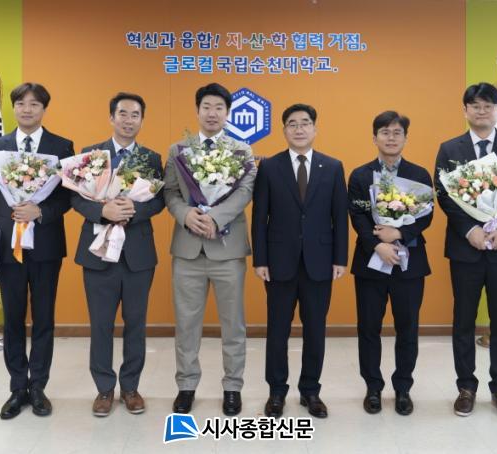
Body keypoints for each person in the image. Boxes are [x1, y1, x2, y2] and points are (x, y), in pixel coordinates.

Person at [435, 82, 497, 420]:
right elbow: (444, 194)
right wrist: (470, 230)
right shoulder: (450, 148)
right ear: (465, 110)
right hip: (466, 249)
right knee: (463, 320)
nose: (481, 111)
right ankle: (466, 388)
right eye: (475, 105)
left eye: (488, 106)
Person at [0, 82, 74, 419]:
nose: (27, 109)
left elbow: (68, 197)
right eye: (21, 103)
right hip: (8, 248)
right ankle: (18, 387)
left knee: (44, 318)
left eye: (34, 104)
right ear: (14, 107)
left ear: (44, 109)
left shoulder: (61, 146)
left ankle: (38, 387)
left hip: (46, 245)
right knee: (14, 319)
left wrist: (40, 211)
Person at [163, 82, 256, 416]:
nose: (212, 113)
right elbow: (169, 192)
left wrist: (215, 218)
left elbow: (245, 192)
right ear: (197, 110)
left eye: (219, 107)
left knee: (233, 324)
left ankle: (233, 387)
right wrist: (186, 215)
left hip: (227, 250)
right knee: (186, 324)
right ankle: (186, 385)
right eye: (206, 107)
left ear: (227, 113)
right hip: (187, 250)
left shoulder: (241, 150)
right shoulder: (178, 150)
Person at [251, 103, 348, 418]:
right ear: (284, 131)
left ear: (315, 129)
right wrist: (260, 259)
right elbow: (259, 217)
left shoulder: (332, 167)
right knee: (277, 330)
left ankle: (311, 391)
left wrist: (340, 258)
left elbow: (339, 217)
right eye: (292, 124)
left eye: (305, 123)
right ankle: (276, 392)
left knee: (315, 330)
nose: (299, 129)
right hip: (279, 262)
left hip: (320, 262)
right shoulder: (269, 166)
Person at [71, 92, 164, 417]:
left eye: (135, 114)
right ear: (111, 117)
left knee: (136, 324)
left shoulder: (151, 158)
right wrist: (103, 211)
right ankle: (104, 389)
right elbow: (76, 198)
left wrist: (132, 210)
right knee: (101, 324)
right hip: (98, 253)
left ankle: (131, 388)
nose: (128, 120)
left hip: (138, 255)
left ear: (142, 120)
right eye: (122, 113)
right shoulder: (91, 155)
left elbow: (159, 200)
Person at [348, 111, 433, 416]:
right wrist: (378, 245)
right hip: (371, 263)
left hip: (410, 265)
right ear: (375, 138)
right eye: (385, 132)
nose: (391, 137)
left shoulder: (419, 174)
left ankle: (403, 388)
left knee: (407, 328)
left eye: (397, 132)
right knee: (369, 328)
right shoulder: (360, 175)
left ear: (405, 138)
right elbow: (357, 214)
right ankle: (373, 387)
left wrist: (399, 233)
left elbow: (426, 215)